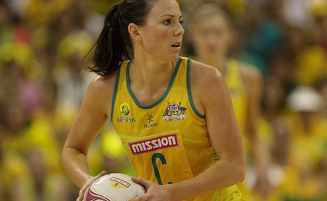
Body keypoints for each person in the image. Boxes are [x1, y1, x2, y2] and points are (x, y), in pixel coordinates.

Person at [61, 0, 246, 200]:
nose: (180, 30)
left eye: (180, 21)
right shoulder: (105, 89)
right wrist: (88, 182)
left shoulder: (207, 81)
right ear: (136, 32)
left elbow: (234, 166)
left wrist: (170, 193)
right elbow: (73, 149)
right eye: (167, 22)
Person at [187, 4, 271, 200]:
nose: (211, 40)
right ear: (193, 36)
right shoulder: (180, 75)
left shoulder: (249, 77)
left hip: (233, 173)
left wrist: (263, 165)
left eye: (217, 32)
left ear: (229, 36)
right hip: (193, 175)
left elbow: (254, 130)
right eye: (205, 33)